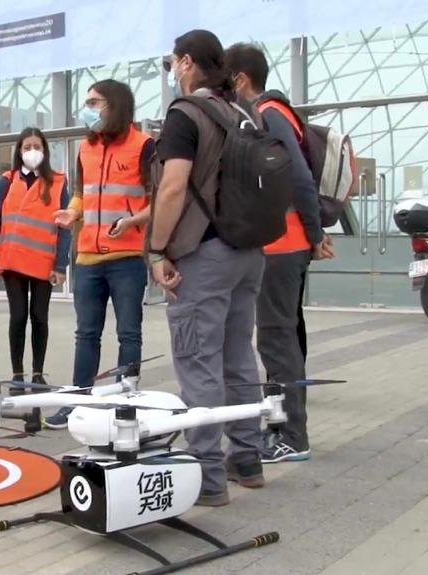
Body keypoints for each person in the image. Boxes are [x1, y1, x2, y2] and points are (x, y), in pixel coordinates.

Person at [147, 29, 266, 507]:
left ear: (188, 62)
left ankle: (207, 480)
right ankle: (248, 461)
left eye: (173, 62)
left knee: (198, 362)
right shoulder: (244, 111)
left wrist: (157, 251)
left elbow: (173, 188)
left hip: (205, 254)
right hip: (247, 252)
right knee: (237, 357)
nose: (173, 71)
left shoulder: (187, 113)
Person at [225, 43, 334, 464]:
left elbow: (301, 178)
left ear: (240, 80)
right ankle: (281, 425)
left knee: (277, 339)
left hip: (283, 243)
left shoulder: (269, 113)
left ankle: (292, 435)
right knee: (276, 339)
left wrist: (313, 232)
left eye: (225, 81)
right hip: (279, 242)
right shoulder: (269, 114)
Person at [45, 80, 155, 428]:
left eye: (94, 102)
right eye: (87, 102)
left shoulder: (144, 146)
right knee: (86, 334)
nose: (87, 109)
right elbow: (81, 193)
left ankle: (126, 402)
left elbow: (160, 201)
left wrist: (132, 220)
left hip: (127, 259)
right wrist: (73, 211)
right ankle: (79, 401)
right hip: (88, 259)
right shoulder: (85, 148)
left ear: (116, 105)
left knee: (129, 334)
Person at [0, 128, 71, 391]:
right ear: (19, 151)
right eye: (27, 147)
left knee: (39, 317)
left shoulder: (58, 182)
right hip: (12, 261)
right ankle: (17, 374)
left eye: (37, 147)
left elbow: (64, 227)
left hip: (43, 262)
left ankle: (38, 373)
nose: (32, 152)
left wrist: (60, 265)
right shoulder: (6, 180)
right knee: (18, 316)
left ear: (45, 151)